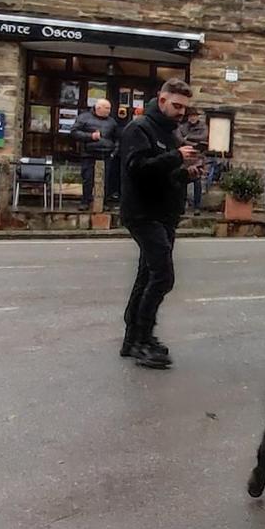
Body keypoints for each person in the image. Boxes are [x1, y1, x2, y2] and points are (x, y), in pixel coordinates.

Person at [117, 78, 199, 369]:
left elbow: (164, 176)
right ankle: (142, 340)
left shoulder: (170, 132)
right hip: (143, 213)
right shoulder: (139, 129)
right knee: (163, 276)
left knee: (147, 276)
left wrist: (186, 174)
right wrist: (175, 156)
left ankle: (132, 340)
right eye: (176, 105)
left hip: (164, 214)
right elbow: (137, 170)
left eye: (184, 108)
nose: (181, 112)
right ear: (161, 100)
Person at [72, 98, 119, 212]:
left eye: (109, 108)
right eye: (106, 108)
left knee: (106, 179)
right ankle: (85, 201)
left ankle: (104, 202)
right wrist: (90, 136)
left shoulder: (112, 122)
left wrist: (114, 152)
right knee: (88, 178)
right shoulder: (84, 118)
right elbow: (74, 132)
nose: (109, 110)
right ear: (98, 108)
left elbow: (117, 138)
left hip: (106, 154)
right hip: (89, 154)